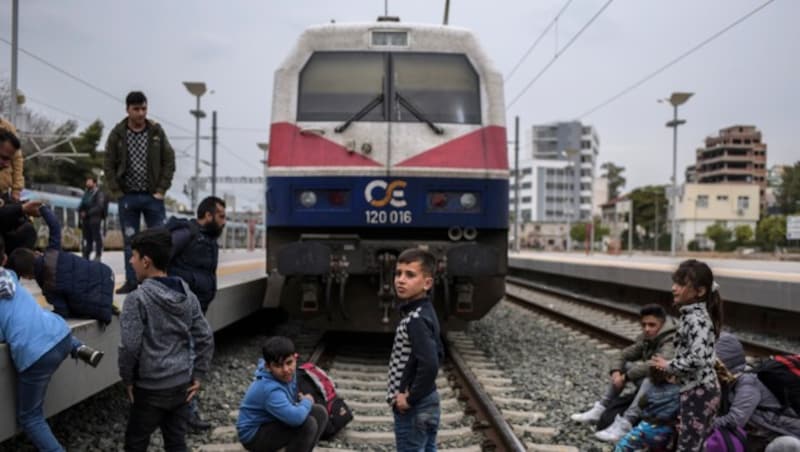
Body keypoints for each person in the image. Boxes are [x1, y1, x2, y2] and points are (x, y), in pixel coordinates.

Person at [0, 235, 103, 452]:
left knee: (30, 418)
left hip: (36, 355)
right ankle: (80, 348)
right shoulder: (8, 276)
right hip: (61, 336)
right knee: (47, 320)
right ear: (4, 259)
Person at [118, 228, 214, 452]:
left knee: (135, 443)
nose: (131, 261)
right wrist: (198, 374)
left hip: (149, 388)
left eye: (134, 256)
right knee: (176, 443)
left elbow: (129, 347)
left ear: (146, 261)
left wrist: (127, 379)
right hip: (181, 385)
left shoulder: (137, 299)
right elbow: (205, 336)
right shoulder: (186, 294)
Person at [572, 304, 677, 443]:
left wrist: (626, 377)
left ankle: (626, 423)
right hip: (653, 387)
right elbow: (622, 355)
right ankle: (601, 407)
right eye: (644, 325)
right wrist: (616, 372)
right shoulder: (647, 339)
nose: (647, 329)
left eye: (652, 325)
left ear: (662, 324)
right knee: (625, 365)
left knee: (650, 377)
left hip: (670, 390)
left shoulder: (670, 340)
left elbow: (654, 366)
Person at [104, 91, 176, 294]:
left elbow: (169, 160)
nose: (141, 113)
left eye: (144, 108)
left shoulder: (156, 132)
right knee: (130, 241)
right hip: (128, 197)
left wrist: (161, 189)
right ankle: (132, 281)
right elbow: (108, 163)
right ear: (127, 110)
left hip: (153, 197)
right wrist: (117, 192)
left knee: (160, 240)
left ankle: (161, 281)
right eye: (136, 109)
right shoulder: (118, 134)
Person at [165, 195, 226, 430]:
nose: (224, 222)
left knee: (189, 358)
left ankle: (182, 413)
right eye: (220, 216)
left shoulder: (208, 239)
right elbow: (163, 259)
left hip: (197, 308)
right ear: (208, 215)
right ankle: (185, 415)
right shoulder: (186, 234)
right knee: (187, 358)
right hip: (181, 308)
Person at [650, 259, 723, 452]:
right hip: (698, 390)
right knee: (692, 442)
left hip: (699, 392)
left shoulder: (697, 319)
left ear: (699, 291)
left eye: (681, 284)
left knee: (688, 445)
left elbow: (696, 359)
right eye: (674, 282)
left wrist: (669, 365)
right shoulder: (692, 315)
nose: (674, 288)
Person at [6, 205, 115, 324]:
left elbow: (63, 312)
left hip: (98, 305)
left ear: (28, 277)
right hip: (106, 273)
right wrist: (43, 209)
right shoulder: (53, 251)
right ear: (36, 253)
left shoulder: (48, 288)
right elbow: (55, 226)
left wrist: (45, 315)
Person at [387, 248, 444, 452]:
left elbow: (430, 363)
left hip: (414, 407)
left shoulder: (416, 319)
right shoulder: (425, 311)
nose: (401, 280)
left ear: (427, 283)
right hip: (428, 401)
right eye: (398, 273)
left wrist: (409, 398)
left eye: (410, 275)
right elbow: (437, 352)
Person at [236, 336, 329, 452]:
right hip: (254, 435)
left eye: (289, 363)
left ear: (295, 358)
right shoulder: (269, 389)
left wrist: (299, 400)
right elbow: (296, 418)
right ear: (268, 367)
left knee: (320, 412)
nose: (286, 369)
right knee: (307, 424)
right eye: (278, 366)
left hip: (271, 420)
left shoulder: (288, 374)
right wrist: (306, 401)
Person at [711, 333, 800, 449]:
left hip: (787, 434)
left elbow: (735, 420)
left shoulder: (747, 383)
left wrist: (702, 425)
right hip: (768, 433)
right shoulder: (730, 383)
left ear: (723, 364)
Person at [614, 368, 680, 452]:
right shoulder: (679, 391)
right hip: (666, 431)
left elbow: (641, 404)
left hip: (646, 428)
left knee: (623, 445)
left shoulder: (652, 389)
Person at [78, 175, 107, 261]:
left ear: (94, 183)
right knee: (87, 238)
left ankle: (98, 254)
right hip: (86, 220)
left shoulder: (99, 193)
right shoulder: (86, 193)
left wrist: (87, 213)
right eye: (87, 181)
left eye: (89, 181)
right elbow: (81, 205)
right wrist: (80, 211)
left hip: (95, 219)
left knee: (96, 237)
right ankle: (86, 254)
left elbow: (99, 206)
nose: (87, 183)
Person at [0, 117, 24, 202]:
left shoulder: (8, 127)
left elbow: (17, 161)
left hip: (3, 189)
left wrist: (16, 189)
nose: (7, 164)